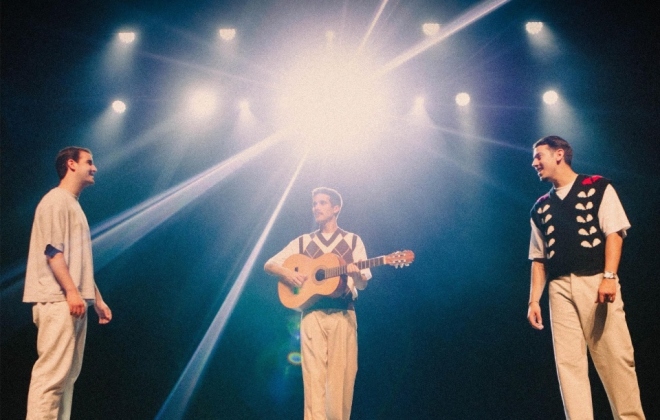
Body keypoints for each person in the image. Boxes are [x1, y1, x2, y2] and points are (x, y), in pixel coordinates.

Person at [526, 136, 644, 419]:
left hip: (595, 281)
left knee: (615, 359)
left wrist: (609, 276)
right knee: (569, 367)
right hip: (558, 289)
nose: (534, 163)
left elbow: (614, 233)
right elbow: (539, 258)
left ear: (559, 154)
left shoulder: (597, 186)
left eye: (539, 156)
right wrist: (533, 300)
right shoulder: (540, 207)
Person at [264, 187, 371, 420]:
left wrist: (356, 274)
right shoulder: (304, 242)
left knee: (341, 378)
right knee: (313, 378)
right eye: (314, 203)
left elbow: (363, 283)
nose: (316, 208)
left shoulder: (352, 240)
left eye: (322, 203)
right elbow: (270, 264)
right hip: (312, 314)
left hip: (343, 313)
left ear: (336, 208)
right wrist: (288, 273)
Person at [23, 146, 112, 420]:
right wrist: (72, 293)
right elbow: (53, 252)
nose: (94, 168)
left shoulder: (73, 205)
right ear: (71, 164)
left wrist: (97, 300)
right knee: (51, 377)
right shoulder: (55, 201)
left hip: (72, 301)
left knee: (66, 379)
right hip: (57, 299)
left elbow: (78, 264)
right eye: (89, 162)